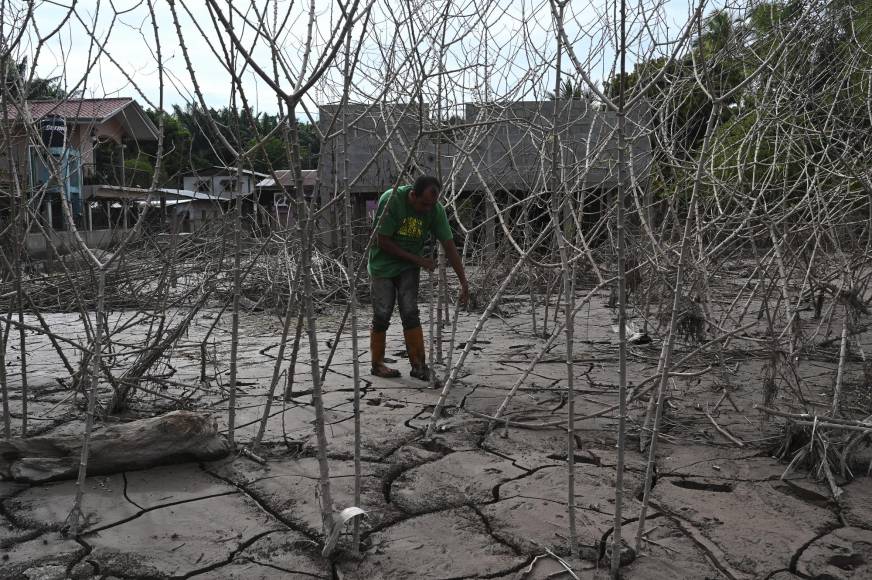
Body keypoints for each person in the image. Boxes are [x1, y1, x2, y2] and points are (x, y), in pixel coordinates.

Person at [368, 175, 468, 381]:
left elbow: (449, 246)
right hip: (382, 266)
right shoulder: (392, 200)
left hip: (408, 267)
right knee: (382, 313)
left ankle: (419, 366)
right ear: (413, 195)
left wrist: (464, 282)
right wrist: (419, 260)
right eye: (423, 204)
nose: (427, 209)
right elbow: (382, 241)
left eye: (432, 205)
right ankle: (377, 364)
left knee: (410, 312)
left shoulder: (434, 209)